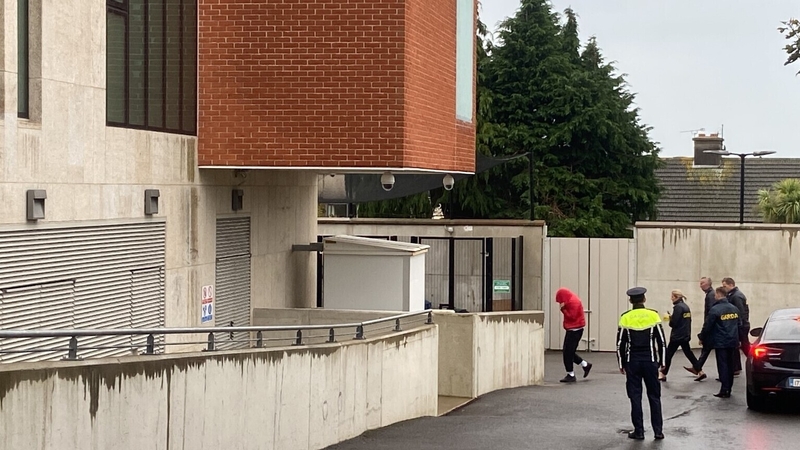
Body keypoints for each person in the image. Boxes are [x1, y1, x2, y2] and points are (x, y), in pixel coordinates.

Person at [616, 287, 666, 441]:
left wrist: (621, 363)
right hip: (650, 361)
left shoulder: (625, 317)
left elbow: (620, 344)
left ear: (630, 301)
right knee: (654, 396)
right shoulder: (653, 315)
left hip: (632, 362)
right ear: (644, 299)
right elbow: (661, 342)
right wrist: (663, 362)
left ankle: (639, 431)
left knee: (635, 396)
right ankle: (658, 431)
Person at [698, 286, 742, 398]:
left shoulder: (715, 310)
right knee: (730, 365)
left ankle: (724, 389)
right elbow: (739, 325)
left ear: (718, 294)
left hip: (721, 342)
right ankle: (729, 388)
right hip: (732, 341)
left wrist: (702, 337)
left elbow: (707, 326)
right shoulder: (734, 309)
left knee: (723, 365)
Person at [660, 290, 702, 382]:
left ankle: (663, 373)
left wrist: (670, 318)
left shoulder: (678, 308)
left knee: (668, 354)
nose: (671, 298)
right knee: (688, 353)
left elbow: (674, 323)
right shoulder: (686, 307)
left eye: (672, 296)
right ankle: (700, 371)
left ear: (676, 297)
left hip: (677, 336)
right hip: (685, 334)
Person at [555, 287, 592, 382]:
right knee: (569, 352)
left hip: (575, 329)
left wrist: (563, 309)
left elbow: (572, 317)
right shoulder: (572, 300)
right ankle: (585, 365)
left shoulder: (573, 302)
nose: (560, 303)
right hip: (574, 329)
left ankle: (571, 374)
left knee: (567, 352)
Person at [685, 277, 714, 381]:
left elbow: (710, 314)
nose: (700, 285)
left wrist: (703, 332)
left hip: (712, 328)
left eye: (702, 283)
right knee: (706, 349)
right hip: (712, 327)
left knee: (707, 348)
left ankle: (697, 367)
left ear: (709, 284)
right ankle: (697, 367)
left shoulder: (710, 296)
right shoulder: (710, 294)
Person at [722, 277, 750, 373]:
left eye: (725, 286)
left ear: (731, 285)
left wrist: (739, 326)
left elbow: (740, 312)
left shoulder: (736, 296)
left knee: (744, 346)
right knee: (737, 346)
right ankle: (736, 367)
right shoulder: (733, 295)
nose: (723, 288)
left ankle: (755, 362)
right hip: (740, 325)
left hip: (740, 326)